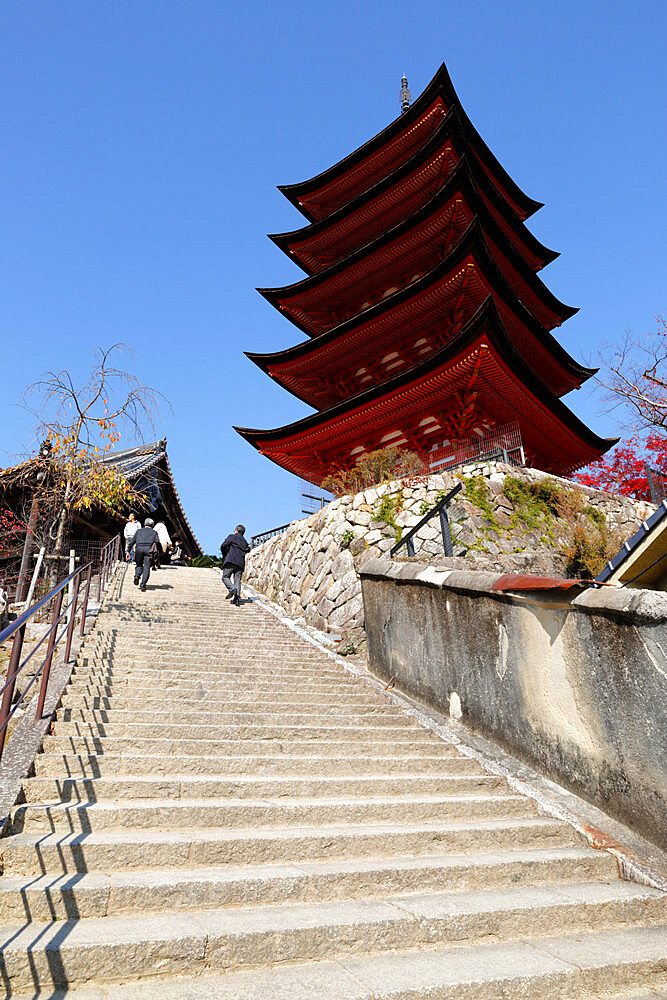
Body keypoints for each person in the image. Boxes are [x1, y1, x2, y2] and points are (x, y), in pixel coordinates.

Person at [127, 517, 162, 591]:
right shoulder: (154, 532)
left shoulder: (138, 531)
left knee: (139, 565)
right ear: (152, 525)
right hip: (149, 550)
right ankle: (143, 585)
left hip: (138, 549)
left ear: (144, 524)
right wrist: (159, 552)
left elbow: (132, 542)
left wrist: (128, 550)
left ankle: (137, 576)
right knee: (146, 567)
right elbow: (157, 542)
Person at [220, 525, 250, 606]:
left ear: (236, 530)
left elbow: (223, 546)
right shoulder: (245, 542)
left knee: (225, 577)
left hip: (231, 560)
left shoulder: (232, 536)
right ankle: (237, 599)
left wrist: (225, 554)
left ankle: (232, 589)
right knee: (237, 580)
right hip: (240, 563)